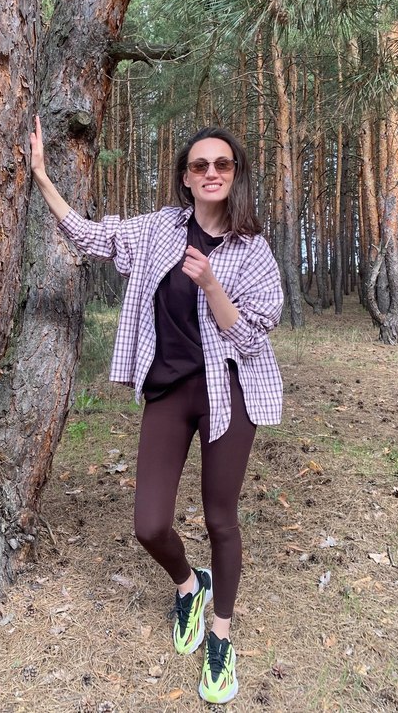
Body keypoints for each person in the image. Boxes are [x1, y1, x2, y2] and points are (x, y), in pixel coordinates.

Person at [30, 115, 283, 705]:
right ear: (186, 178)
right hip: (169, 391)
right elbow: (90, 237)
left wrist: (213, 285)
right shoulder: (159, 229)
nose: (212, 172)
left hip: (229, 390)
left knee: (221, 518)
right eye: (200, 165)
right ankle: (190, 584)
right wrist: (42, 176)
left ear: (235, 174)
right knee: (149, 525)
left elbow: (253, 338)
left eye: (222, 163)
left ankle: (221, 634)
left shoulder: (253, 250)